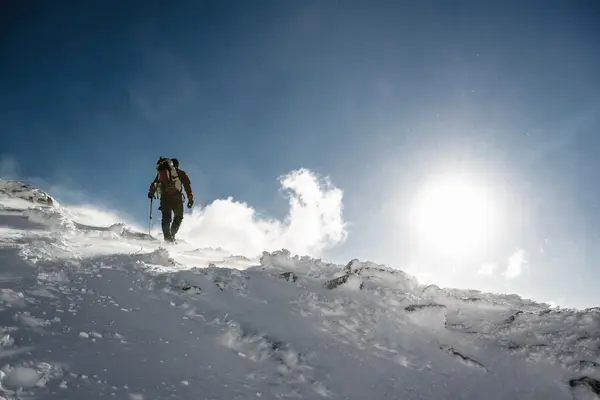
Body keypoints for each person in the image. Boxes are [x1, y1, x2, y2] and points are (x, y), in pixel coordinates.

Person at [148, 157, 194, 242]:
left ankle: (168, 238)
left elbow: (154, 184)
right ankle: (172, 235)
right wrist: (190, 198)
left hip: (165, 199)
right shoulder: (181, 173)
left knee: (166, 218)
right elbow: (187, 186)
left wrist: (151, 193)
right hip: (178, 199)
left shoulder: (160, 174)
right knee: (178, 217)